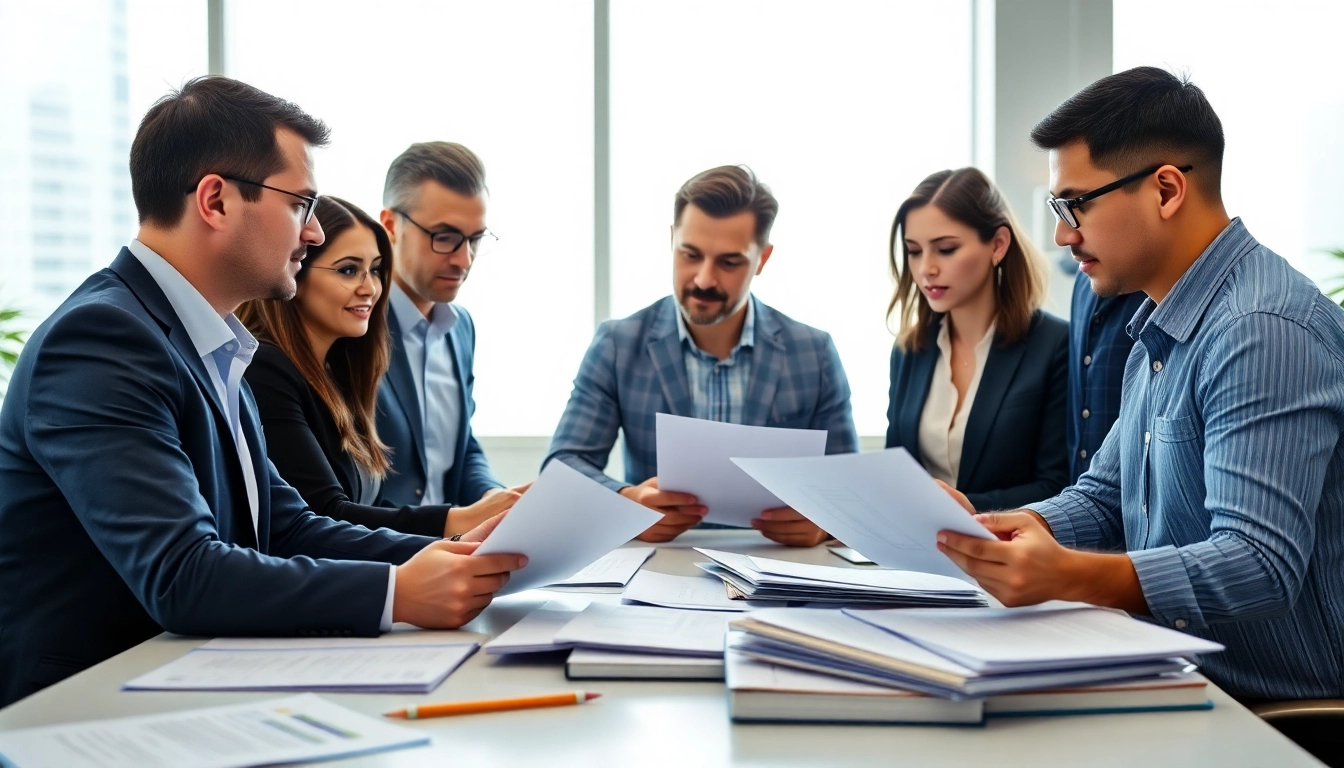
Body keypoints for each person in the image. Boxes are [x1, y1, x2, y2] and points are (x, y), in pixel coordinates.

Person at [0, 77, 525, 708]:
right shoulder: (102, 338)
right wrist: (397, 590)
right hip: (85, 706)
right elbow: (183, 573)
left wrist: (455, 553)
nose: (311, 232)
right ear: (216, 202)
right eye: (300, 204)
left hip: (191, 680)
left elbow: (284, 525)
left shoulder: (214, 341)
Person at [935, 67, 1344, 701]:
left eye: (1076, 204)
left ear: (1167, 189)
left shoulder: (1261, 329)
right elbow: (1102, 500)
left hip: (1270, 714)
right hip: (1175, 677)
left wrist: (1074, 577)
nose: (1062, 234)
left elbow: (1258, 565)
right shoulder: (1160, 326)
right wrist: (992, 530)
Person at [545, 165, 858, 547]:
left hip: (781, 570)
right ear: (671, 240)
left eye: (729, 262)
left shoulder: (814, 353)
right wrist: (627, 503)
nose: (704, 279)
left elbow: (849, 494)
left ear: (762, 259)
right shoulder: (618, 344)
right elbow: (561, 470)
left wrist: (825, 523)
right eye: (690, 254)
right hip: (660, 567)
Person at [238, 196, 521, 537]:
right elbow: (324, 516)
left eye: (374, 270)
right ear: (297, 268)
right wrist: (459, 522)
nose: (370, 288)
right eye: (348, 270)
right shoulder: (266, 370)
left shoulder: (338, 372)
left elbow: (365, 509)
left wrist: (477, 518)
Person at [885, 168, 1068, 511]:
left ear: (998, 245)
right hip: (913, 553)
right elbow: (896, 472)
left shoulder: (1056, 346)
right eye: (913, 250)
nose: (926, 268)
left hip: (1007, 552)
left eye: (946, 249)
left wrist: (967, 507)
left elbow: (1060, 486)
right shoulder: (909, 350)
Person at [376, 142, 506, 509]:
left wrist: (494, 499)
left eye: (475, 239)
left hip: (453, 551)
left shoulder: (460, 328)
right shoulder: (352, 326)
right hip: (381, 556)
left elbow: (461, 450)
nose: (463, 260)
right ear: (390, 226)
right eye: (445, 237)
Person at [1067, 271, 1146, 484]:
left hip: (1139, 502)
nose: (1063, 239)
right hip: (1081, 497)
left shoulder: (1158, 289)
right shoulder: (1083, 282)